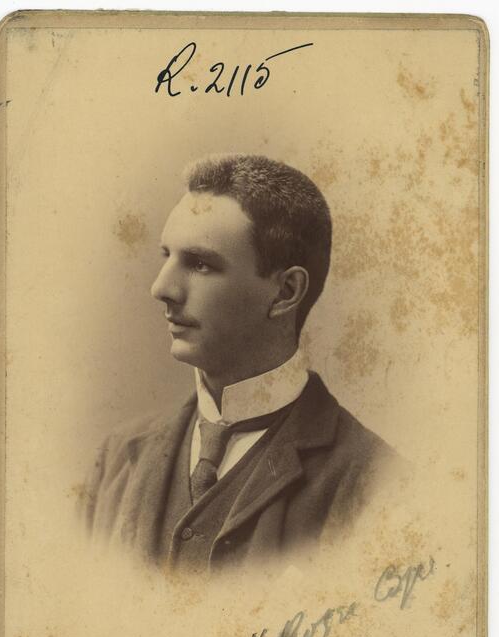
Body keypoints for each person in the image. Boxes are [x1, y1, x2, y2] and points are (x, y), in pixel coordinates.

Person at [80, 154, 399, 575]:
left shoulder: (381, 488)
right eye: (166, 256)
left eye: (200, 264)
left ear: (285, 292)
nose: (162, 288)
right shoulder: (116, 462)